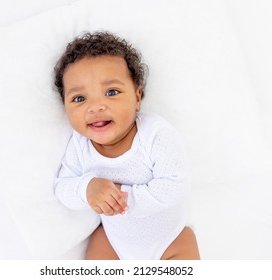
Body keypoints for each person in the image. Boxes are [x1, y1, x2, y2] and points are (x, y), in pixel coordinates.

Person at [53, 31, 200, 260]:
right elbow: (63, 187)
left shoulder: (155, 134)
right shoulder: (80, 145)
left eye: (111, 92)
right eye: (79, 99)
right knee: (98, 244)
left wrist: (120, 198)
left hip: (170, 239)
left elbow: (174, 185)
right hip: (114, 241)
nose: (96, 106)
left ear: (137, 97)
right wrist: (88, 189)